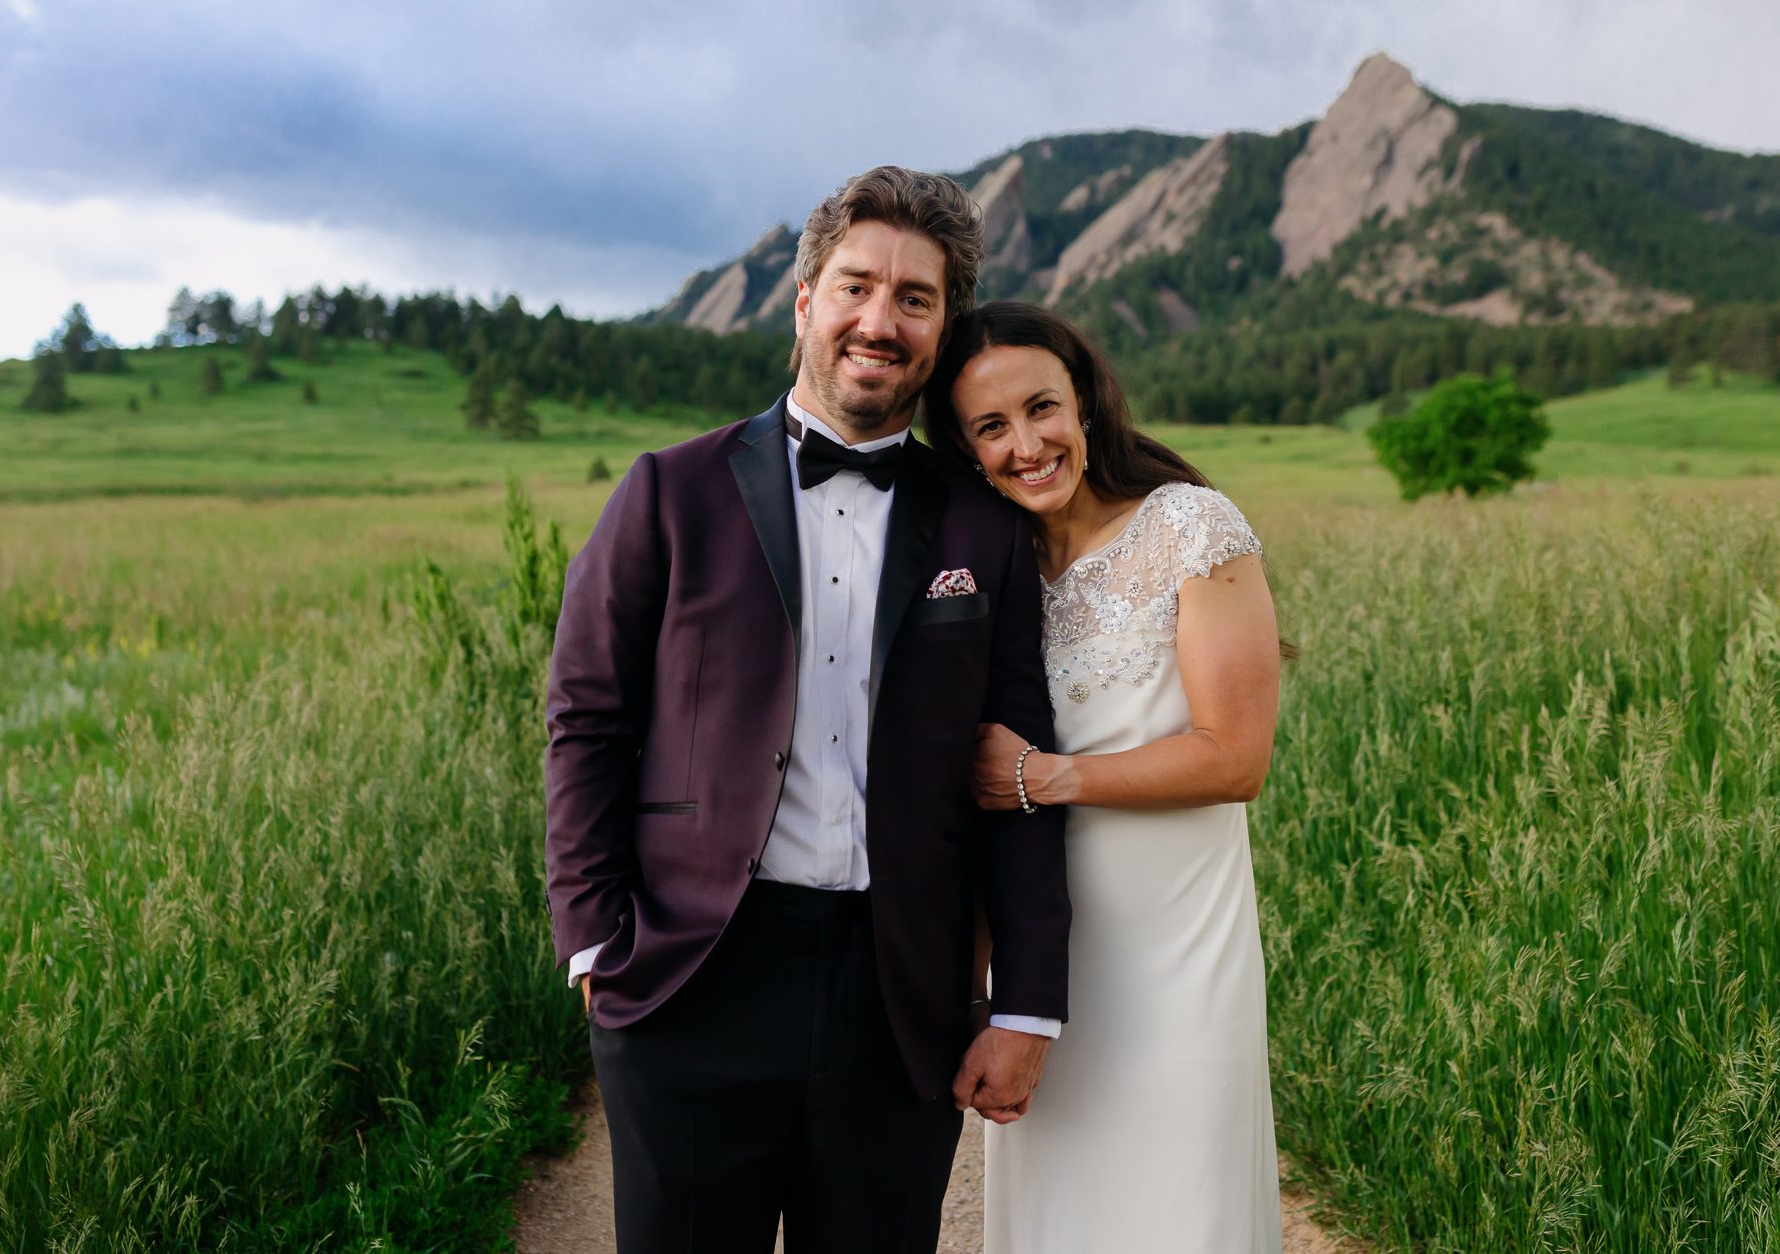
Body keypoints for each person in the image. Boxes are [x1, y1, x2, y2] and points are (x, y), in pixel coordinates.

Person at [543, 168, 1071, 1254]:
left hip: (899, 995)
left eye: (914, 299)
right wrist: (595, 939)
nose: (879, 321)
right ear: (802, 301)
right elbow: (586, 720)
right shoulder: (665, 492)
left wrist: (1024, 1003)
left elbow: (1020, 776)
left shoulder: (981, 530)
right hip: (693, 984)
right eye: (854, 286)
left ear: (938, 327)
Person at [925, 301, 1285, 1254]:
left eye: (1043, 407)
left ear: (1083, 401)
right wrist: (986, 992)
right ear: (964, 449)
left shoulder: (1189, 528)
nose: (1028, 444)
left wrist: (1051, 777)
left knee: (1182, 1213)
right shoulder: (987, 571)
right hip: (1050, 971)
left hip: (1181, 958)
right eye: (991, 427)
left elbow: (1236, 755)